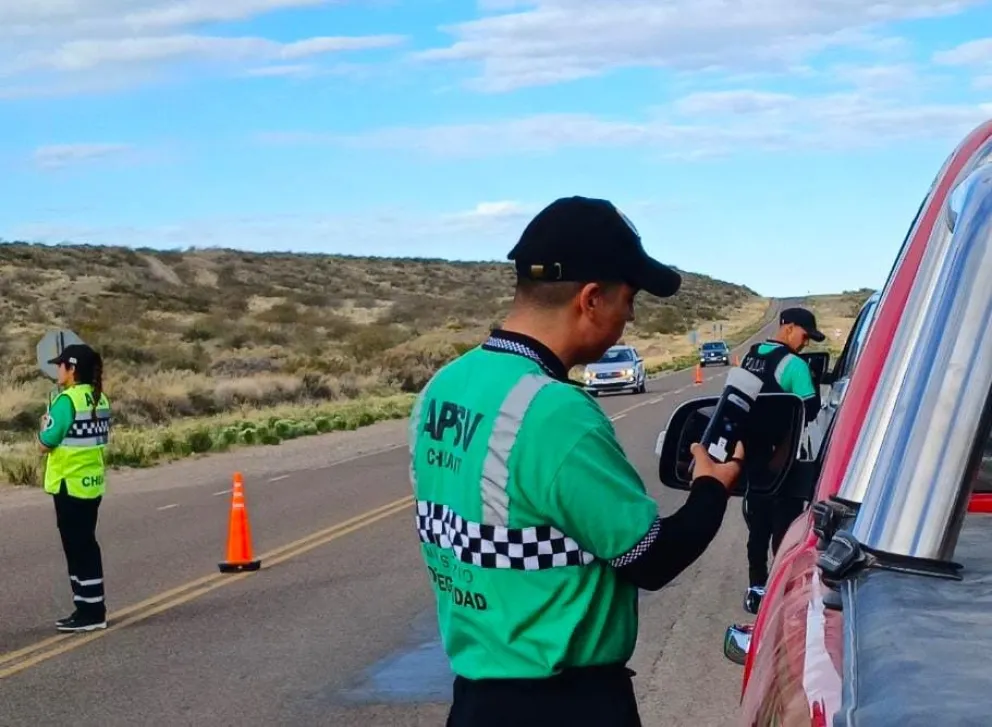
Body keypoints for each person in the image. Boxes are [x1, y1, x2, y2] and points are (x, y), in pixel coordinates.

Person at [407, 196, 745, 727]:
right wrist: (711, 488)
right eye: (629, 299)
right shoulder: (554, 412)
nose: (630, 317)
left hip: (476, 700)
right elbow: (650, 559)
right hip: (565, 704)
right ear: (590, 299)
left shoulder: (445, 385)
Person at [738, 307, 824, 614]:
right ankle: (782, 590)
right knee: (785, 529)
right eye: (804, 335)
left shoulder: (750, 356)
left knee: (757, 529)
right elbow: (810, 409)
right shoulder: (795, 365)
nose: (805, 344)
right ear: (787, 327)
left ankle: (756, 588)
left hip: (752, 459)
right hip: (784, 459)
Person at [38, 343, 112, 633]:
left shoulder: (67, 401)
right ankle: (88, 605)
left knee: (77, 548)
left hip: (68, 484)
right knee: (86, 545)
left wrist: (44, 426)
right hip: (91, 483)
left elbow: (47, 442)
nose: (57, 370)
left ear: (72, 369)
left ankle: (91, 611)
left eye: (60, 365)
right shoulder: (98, 398)